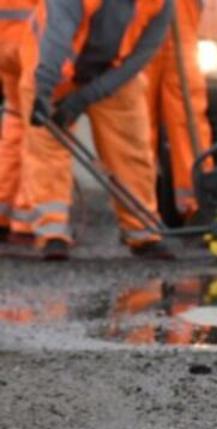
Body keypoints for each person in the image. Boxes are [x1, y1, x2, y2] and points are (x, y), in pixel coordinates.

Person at [21, 0, 174, 260]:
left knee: (131, 149)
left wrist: (85, 97)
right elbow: (56, 37)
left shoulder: (162, 3)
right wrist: (44, 92)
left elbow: (139, 58)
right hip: (52, 65)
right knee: (46, 150)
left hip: (112, 71)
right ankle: (53, 233)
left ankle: (142, 233)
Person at [144, 0, 211, 222]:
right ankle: (137, 208)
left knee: (187, 117)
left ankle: (199, 202)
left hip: (181, 33)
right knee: (138, 121)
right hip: (139, 27)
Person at [0, 0, 36, 244]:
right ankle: (26, 220)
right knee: (42, 133)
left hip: (5, 42)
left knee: (15, 124)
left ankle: (3, 211)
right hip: (33, 44)